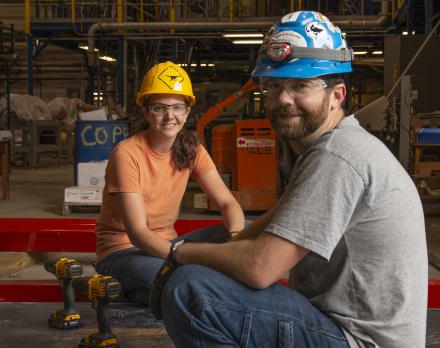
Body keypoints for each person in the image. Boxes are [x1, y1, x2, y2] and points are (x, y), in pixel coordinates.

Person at [151, 11, 428, 348]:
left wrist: (182, 254)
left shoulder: (338, 155)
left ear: (337, 95)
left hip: (359, 340)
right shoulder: (323, 145)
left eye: (300, 86)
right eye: (274, 86)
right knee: (214, 238)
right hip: (335, 320)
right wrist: (219, 243)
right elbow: (281, 214)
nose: (283, 99)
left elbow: (261, 268)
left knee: (191, 290)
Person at [95, 61, 245, 305]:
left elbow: (227, 202)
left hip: (168, 246)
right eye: (159, 108)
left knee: (249, 231)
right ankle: (151, 289)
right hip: (123, 252)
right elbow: (138, 234)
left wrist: (237, 238)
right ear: (145, 111)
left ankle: (147, 294)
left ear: (187, 111)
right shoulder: (128, 153)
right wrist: (194, 257)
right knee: (187, 278)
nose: (169, 116)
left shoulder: (192, 149)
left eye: (177, 107)